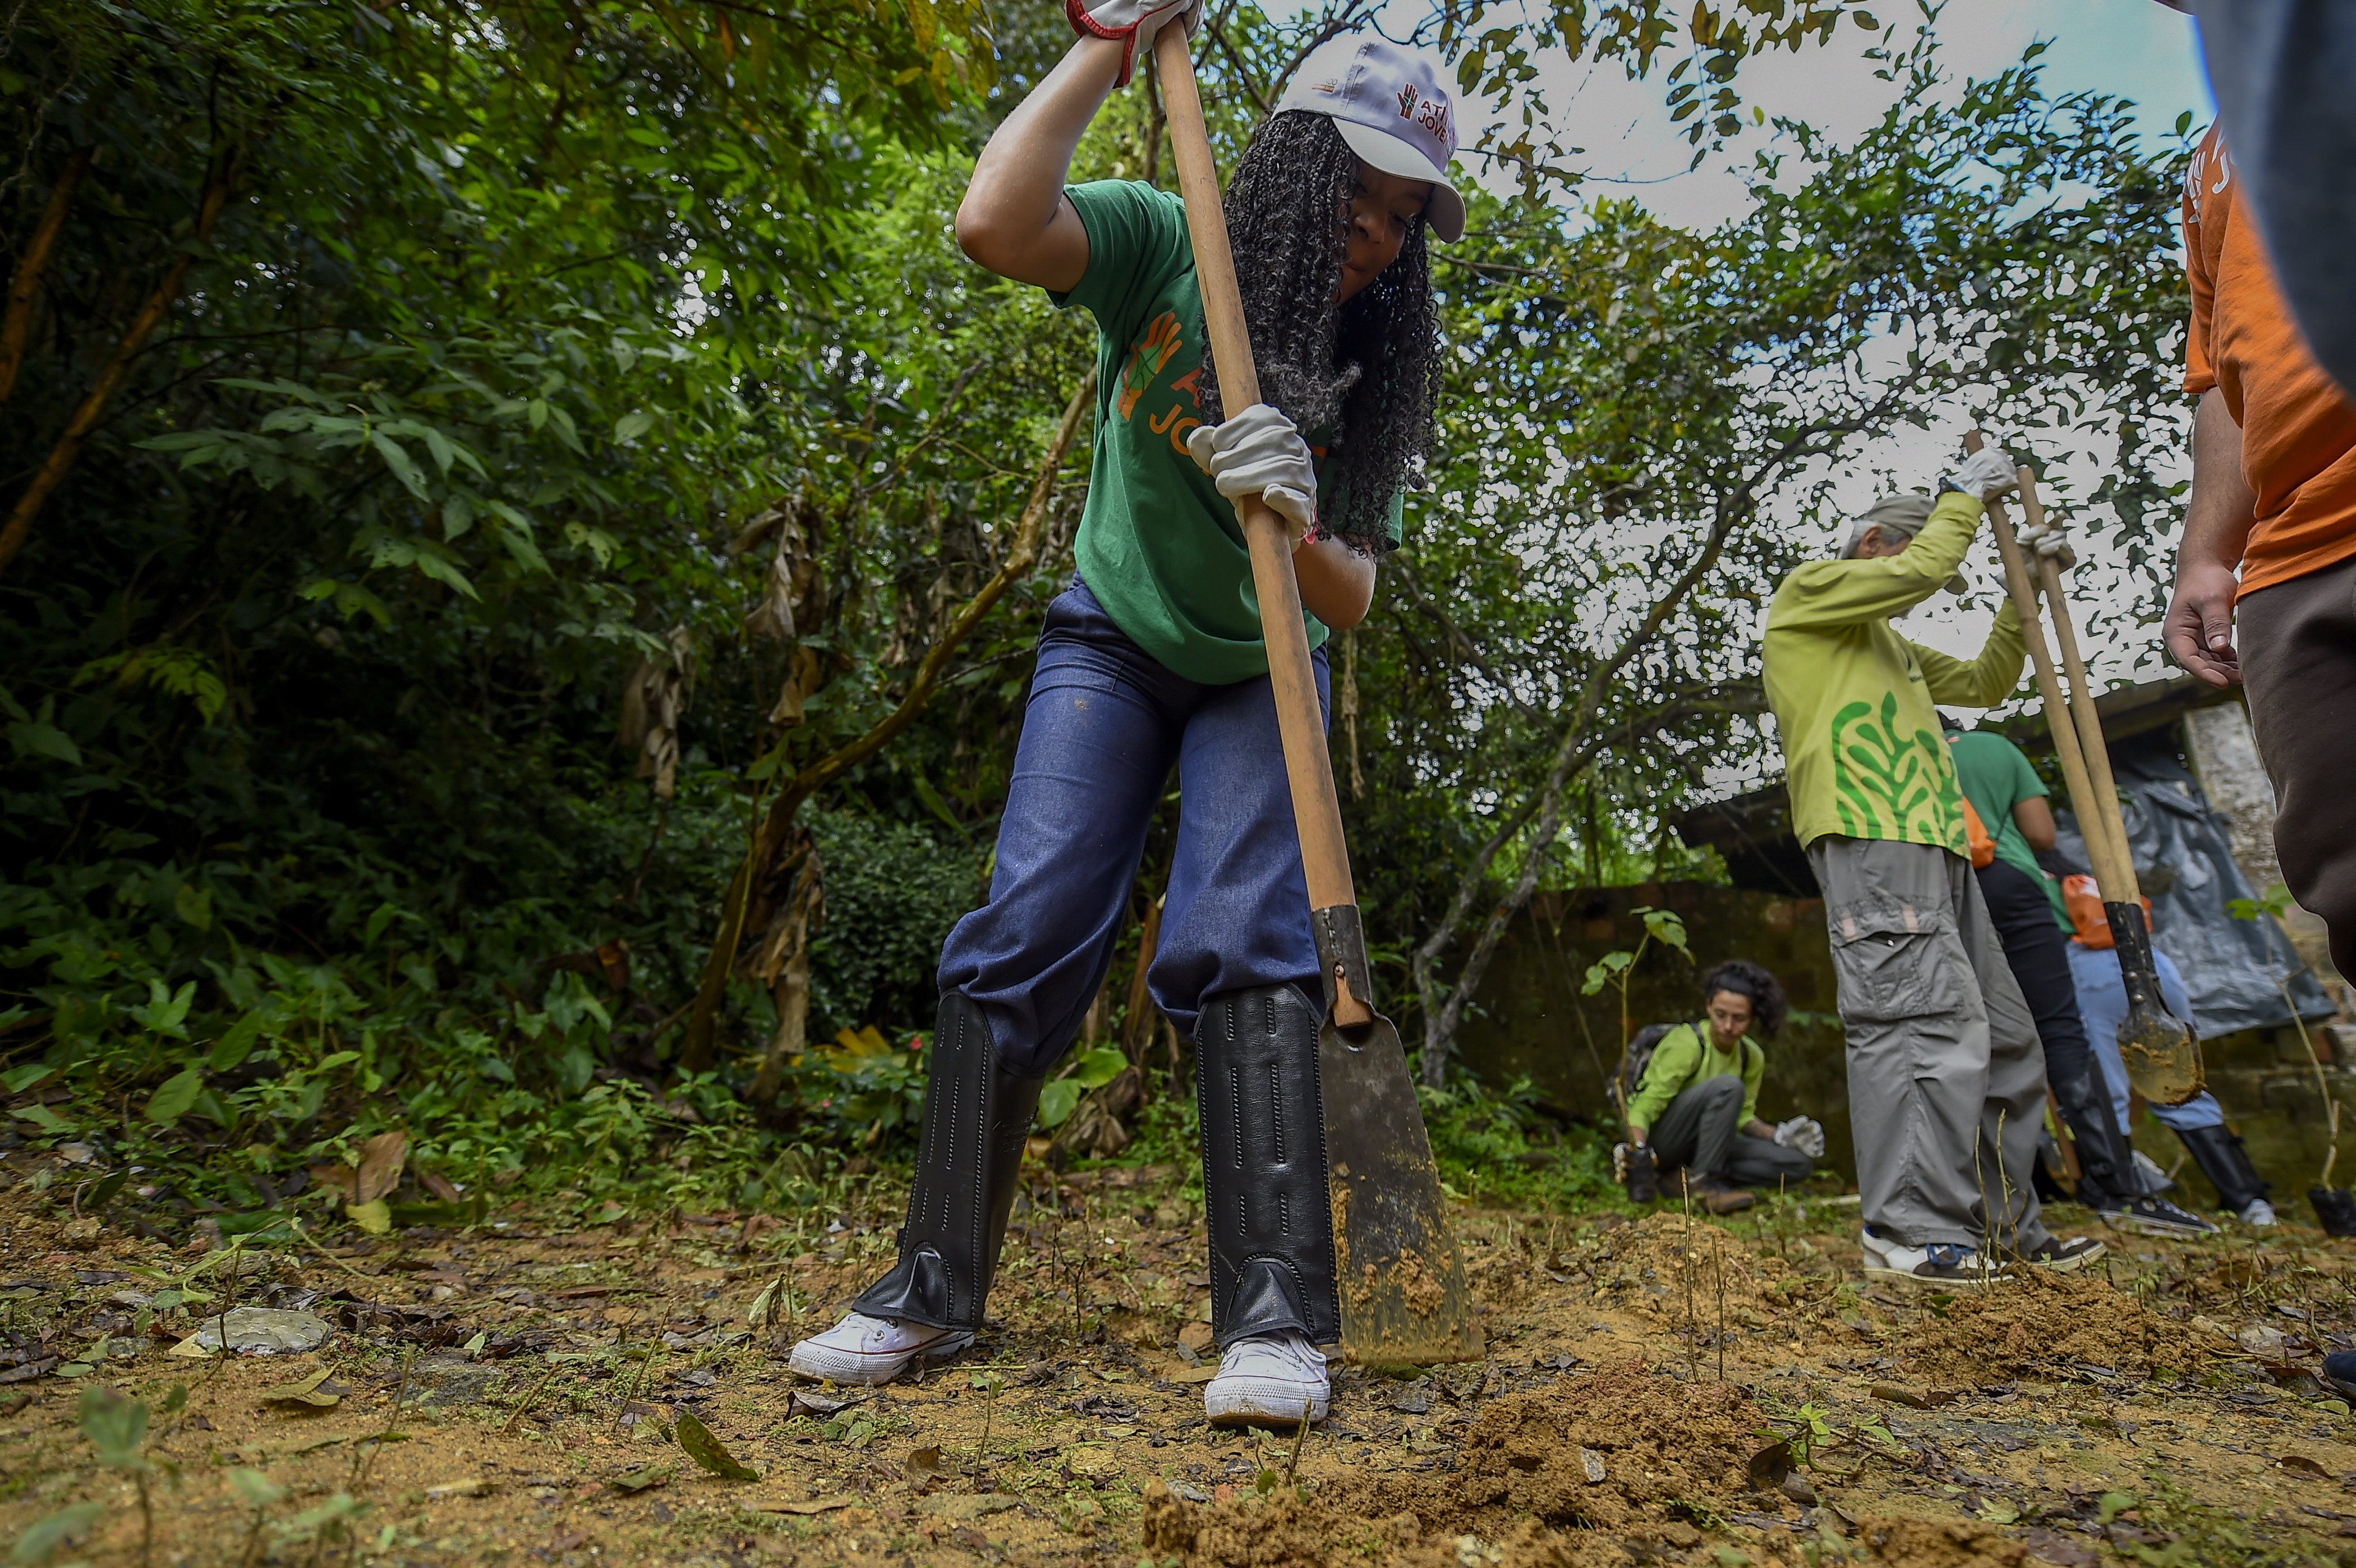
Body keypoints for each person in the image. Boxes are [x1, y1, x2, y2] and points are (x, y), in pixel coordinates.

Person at [783, 13, 1465, 1432]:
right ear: (1294, 166)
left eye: (1407, 219)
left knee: (1244, 940)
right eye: (1364, 193)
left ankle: (1278, 1316)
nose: (1381, 238)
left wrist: (1300, 506)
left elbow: (1352, 599)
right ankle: (928, 1290)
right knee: (1025, 926)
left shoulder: (1367, 358)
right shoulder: (1169, 244)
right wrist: (1107, 40)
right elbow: (991, 222)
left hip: (1261, 665)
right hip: (1111, 632)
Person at [1763, 466, 2105, 1287]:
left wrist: (2020, 584)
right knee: (1915, 1022)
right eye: (1919, 550)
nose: (1927, 574)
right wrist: (1965, 499)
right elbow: (1921, 571)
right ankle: (1909, 1230)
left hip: (1939, 843)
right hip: (1870, 830)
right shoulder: (1808, 595)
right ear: (1874, 544)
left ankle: (1996, 1226)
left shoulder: (1886, 645)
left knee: (2004, 1036)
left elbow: (1989, 681)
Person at [2160, 118, 2356, 981]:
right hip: (2291, 560)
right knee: (2346, 875)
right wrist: (2207, 554)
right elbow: (2222, 377)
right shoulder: (2212, 158)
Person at [1940, 720, 2215, 1238]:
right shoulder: (1995, 750)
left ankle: (1983, 1189)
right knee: (2060, 1030)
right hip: (2009, 884)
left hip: (1938, 892)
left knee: (1965, 1032)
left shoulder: (1906, 756)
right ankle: (2117, 1186)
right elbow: (2041, 834)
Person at [2062, 879, 2275, 1229]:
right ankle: (2251, 1202)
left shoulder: (2036, 878)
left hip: (2089, 975)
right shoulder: (2092, 873)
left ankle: (2126, 1198)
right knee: (2181, 1086)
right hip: (2152, 968)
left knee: (2107, 1092)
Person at [1616, 961, 1821, 1215]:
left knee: (1797, 1164)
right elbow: (1644, 1106)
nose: (1728, 1026)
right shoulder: (1688, 1044)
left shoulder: (1751, 1056)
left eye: (1739, 1019)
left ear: (1753, 1017)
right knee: (1728, 1086)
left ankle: (1681, 1180)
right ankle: (1705, 1188)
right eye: (1720, 1015)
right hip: (1666, 1142)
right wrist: (1637, 1149)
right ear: (1708, 1007)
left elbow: (1742, 1116)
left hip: (1710, 1144)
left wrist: (1780, 1136)